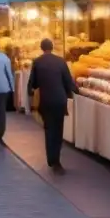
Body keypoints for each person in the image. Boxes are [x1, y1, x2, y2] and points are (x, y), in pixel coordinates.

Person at [26, 38, 76, 172]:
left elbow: (33, 84)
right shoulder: (61, 61)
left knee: (49, 130)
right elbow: (68, 82)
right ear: (52, 47)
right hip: (59, 100)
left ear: (42, 48)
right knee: (58, 130)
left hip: (46, 101)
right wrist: (76, 91)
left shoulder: (37, 62)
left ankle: (51, 160)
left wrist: (30, 100)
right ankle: (57, 160)